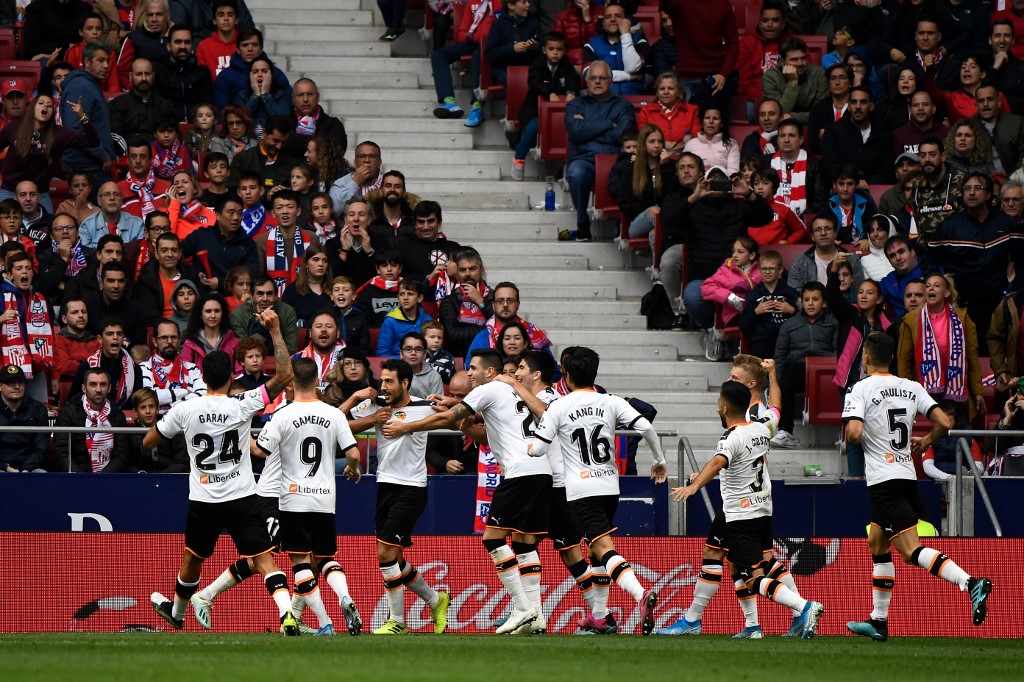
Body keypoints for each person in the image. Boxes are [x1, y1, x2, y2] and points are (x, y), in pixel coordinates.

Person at [146, 309, 299, 634]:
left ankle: (177, 612)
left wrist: (165, 429)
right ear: (231, 376)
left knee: (193, 558)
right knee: (263, 558)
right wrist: (274, 330)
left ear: (202, 377)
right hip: (241, 496)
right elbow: (285, 375)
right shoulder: (241, 403)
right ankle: (287, 614)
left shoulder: (185, 409)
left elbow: (148, 441)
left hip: (203, 500)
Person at [381, 349, 553, 635]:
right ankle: (536, 617)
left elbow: (450, 419)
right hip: (540, 471)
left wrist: (407, 427)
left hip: (520, 472)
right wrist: (458, 413)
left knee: (493, 538)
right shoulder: (511, 392)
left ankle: (523, 609)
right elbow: (489, 434)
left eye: (473, 367)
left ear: (489, 371)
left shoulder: (490, 388)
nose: (469, 372)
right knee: (524, 545)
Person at [843, 332, 992, 642]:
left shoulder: (861, 388)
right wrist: (926, 440)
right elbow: (945, 422)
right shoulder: (911, 387)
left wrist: (853, 430)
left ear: (866, 359)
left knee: (911, 551)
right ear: (892, 359)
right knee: (877, 542)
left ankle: (970, 583)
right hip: (906, 476)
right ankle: (878, 621)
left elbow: (855, 432)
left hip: (884, 480)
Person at [510, 346, 664, 635]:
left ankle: (640, 593)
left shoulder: (560, 405)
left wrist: (528, 447)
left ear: (566, 376)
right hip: (610, 485)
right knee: (594, 551)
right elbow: (645, 427)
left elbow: (539, 448)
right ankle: (599, 617)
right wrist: (659, 461)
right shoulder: (610, 401)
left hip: (581, 488)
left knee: (603, 549)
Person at [669, 372, 825, 639]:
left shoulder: (731, 437)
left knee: (753, 577)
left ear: (725, 407)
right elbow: (776, 407)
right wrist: (775, 375)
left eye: (719, 401)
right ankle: (752, 626)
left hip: (741, 514)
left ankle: (803, 607)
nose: (718, 405)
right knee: (742, 563)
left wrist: (695, 486)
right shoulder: (762, 426)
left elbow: (719, 461)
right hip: (762, 509)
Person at [221, 357, 365, 637]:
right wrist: (354, 469)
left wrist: (237, 433)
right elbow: (354, 453)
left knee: (300, 562)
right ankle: (345, 597)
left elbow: (260, 451)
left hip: (292, 498)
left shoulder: (283, 415)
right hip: (325, 498)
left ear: (293, 382)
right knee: (325, 557)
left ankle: (325, 622)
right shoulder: (334, 413)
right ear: (316, 381)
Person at [345, 359, 451, 634]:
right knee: (394, 558)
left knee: (384, 552)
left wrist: (410, 424)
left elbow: (452, 416)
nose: (384, 386)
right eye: (382, 381)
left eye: (390, 381)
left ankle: (397, 621)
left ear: (405, 383)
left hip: (412, 487)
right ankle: (435, 599)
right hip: (385, 486)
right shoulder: (378, 405)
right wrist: (362, 405)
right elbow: (338, 424)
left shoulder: (422, 406)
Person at [923, 172, 1023, 350]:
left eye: (978, 188)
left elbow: (1021, 259)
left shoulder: (1006, 224)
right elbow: (929, 260)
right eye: (967, 188)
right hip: (962, 306)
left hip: (999, 304)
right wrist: (943, 287)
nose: (971, 192)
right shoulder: (949, 227)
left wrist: (1015, 290)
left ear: (989, 194)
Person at [896, 272, 986, 421]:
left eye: (936, 286)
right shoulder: (911, 321)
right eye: (928, 286)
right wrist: (907, 394)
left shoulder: (962, 318)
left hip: (957, 392)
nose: (931, 289)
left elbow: (972, 357)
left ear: (947, 293)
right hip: (925, 393)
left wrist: (977, 391)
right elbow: (903, 361)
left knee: (959, 438)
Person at [564, 60, 636, 241]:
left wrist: (587, 127)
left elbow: (622, 136)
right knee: (575, 172)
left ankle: (622, 223)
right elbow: (575, 131)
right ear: (586, 81)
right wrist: (607, 124)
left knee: (631, 170)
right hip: (584, 159)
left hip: (615, 160)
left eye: (602, 78)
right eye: (593, 78)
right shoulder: (575, 105)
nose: (597, 81)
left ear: (611, 81)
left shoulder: (623, 106)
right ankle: (582, 224)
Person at [772, 282, 839, 449]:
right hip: (799, 367)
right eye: (806, 299)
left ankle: (843, 430)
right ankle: (785, 433)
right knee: (785, 384)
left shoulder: (834, 322)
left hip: (827, 369)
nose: (810, 303)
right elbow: (780, 355)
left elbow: (839, 349)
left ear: (823, 302)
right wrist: (776, 382)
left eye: (815, 299)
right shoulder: (789, 325)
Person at [60, 42, 117, 191]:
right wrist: (102, 155)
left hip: (89, 164)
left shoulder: (88, 85)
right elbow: (76, 128)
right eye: (100, 60)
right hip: (87, 165)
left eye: (108, 61)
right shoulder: (81, 86)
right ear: (86, 62)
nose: (106, 66)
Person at [428, 0, 497, 122]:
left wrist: (476, 36)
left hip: (490, 44)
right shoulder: (473, 2)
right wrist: (471, 37)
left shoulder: (499, 3)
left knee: (478, 55)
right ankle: (449, 102)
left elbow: (495, 29)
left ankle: (477, 106)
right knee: (438, 55)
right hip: (472, 42)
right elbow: (462, 32)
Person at [53, 367, 133, 472]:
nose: (98, 390)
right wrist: (82, 479)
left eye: (103, 384)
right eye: (93, 384)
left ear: (109, 388)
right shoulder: (67, 413)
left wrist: (102, 478)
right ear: (84, 388)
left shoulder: (118, 416)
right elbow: (60, 453)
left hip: (108, 479)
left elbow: (122, 455)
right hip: (76, 479)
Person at [1, 251, 56, 404]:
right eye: (19, 268)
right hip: (5, 368)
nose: (24, 271)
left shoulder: (40, 299)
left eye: (28, 268)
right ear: (10, 275)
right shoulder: (0, 295)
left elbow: (50, 336)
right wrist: (1, 319)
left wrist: (55, 374)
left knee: (39, 415)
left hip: (35, 368)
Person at [612, 124, 681, 245]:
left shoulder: (670, 166)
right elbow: (624, 202)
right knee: (654, 212)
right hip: (639, 222)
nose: (657, 145)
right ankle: (679, 233)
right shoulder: (631, 169)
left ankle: (656, 264)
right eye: (652, 141)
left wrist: (664, 168)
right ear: (643, 143)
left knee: (655, 233)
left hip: (665, 218)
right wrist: (648, 209)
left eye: (660, 141)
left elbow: (675, 196)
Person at [663, 0, 738, 110]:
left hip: (715, 79)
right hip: (687, 79)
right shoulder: (679, 3)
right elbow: (665, 4)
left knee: (715, 124)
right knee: (687, 124)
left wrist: (724, 74)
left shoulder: (723, 4)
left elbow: (733, 42)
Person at [180, 193, 260, 293]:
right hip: (200, 298)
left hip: (233, 300)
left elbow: (252, 277)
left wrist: (222, 283)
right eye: (230, 212)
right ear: (217, 215)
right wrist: (194, 273)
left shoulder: (248, 244)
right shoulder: (200, 235)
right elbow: (176, 255)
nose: (236, 217)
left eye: (239, 213)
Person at [821, 87, 894, 186]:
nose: (858, 106)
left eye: (863, 102)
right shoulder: (834, 131)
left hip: (875, 189)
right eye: (854, 102)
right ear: (849, 106)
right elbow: (830, 166)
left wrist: (869, 185)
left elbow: (886, 169)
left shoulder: (882, 132)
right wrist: (852, 183)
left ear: (871, 106)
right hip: (842, 188)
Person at [73, 317, 144, 411]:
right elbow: (74, 400)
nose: (115, 337)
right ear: (100, 339)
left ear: (123, 338)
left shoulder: (134, 369)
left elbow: (137, 402)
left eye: (119, 334)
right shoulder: (87, 366)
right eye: (110, 334)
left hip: (122, 421)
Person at [739, 250, 798, 360]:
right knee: (761, 351)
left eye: (771, 268)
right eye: (764, 269)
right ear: (759, 271)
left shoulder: (791, 293)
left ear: (780, 270)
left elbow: (807, 319)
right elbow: (743, 325)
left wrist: (792, 311)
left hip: (788, 340)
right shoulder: (753, 295)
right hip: (762, 342)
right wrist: (756, 312)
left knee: (796, 354)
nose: (767, 272)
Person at [214, 26, 290, 109]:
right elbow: (221, 110)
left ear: (261, 49)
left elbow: (288, 102)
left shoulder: (275, 73)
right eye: (245, 45)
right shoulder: (225, 77)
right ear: (238, 50)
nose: (250, 49)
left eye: (254, 45)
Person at [737, 1, 789, 121]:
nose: (769, 25)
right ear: (759, 23)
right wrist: (766, 101)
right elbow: (743, 83)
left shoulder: (793, 44)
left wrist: (779, 102)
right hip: (755, 100)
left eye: (775, 20)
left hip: (784, 99)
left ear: (783, 24)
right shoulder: (746, 44)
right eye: (765, 21)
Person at [581, 2, 647, 97]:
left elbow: (632, 67)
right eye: (608, 17)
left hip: (634, 99)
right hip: (602, 102)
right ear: (603, 23)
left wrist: (626, 35)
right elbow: (590, 75)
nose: (612, 19)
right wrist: (629, 77)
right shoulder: (591, 44)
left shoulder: (640, 42)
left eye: (618, 16)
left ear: (626, 21)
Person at [438, 248, 494, 357]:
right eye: (462, 270)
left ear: (481, 271)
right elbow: (452, 336)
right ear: (458, 273)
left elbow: (503, 327)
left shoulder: (495, 296)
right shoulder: (449, 301)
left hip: (491, 357)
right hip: (459, 359)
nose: (467, 274)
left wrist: (480, 301)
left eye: (472, 269)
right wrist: (489, 329)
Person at [787, 214, 865, 292]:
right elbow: (794, 294)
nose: (823, 233)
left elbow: (858, 291)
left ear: (835, 233)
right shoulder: (800, 261)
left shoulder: (851, 259)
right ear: (812, 236)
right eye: (818, 230)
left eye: (828, 229)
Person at [910, 137, 966, 244]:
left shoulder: (961, 181)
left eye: (932, 154)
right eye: (922, 155)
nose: (927, 159)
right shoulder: (917, 184)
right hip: (927, 251)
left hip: (956, 246)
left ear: (943, 156)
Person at [762, 37, 828, 125]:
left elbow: (820, 113)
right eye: (794, 59)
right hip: (779, 127)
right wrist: (793, 82)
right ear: (783, 61)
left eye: (803, 58)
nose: (800, 63)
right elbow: (777, 114)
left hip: (812, 126)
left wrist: (792, 117)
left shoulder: (819, 74)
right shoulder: (770, 77)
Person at [154, 24, 214, 122]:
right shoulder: (158, 72)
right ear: (168, 46)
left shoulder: (202, 73)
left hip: (197, 128)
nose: (183, 46)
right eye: (178, 42)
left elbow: (208, 107)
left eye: (187, 42)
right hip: (167, 129)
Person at [769, 119, 825, 218]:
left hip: (803, 220)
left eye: (791, 135)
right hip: (771, 219)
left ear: (801, 140)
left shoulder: (814, 165)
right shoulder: (767, 163)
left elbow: (818, 202)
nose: (786, 140)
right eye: (782, 136)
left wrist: (797, 220)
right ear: (777, 140)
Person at [227, 115, 298, 192]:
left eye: (283, 142)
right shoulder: (242, 159)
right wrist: (264, 196)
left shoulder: (292, 163)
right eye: (275, 140)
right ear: (264, 133)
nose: (279, 147)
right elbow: (232, 189)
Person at [231, 276, 299, 354]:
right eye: (260, 294)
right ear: (252, 296)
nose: (265, 299)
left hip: (281, 360)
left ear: (275, 296)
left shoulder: (287, 312)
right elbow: (243, 352)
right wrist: (262, 330)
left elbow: (292, 350)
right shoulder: (238, 314)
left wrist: (274, 329)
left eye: (269, 294)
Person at [636, 72, 698, 155]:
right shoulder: (646, 111)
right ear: (657, 92)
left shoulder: (692, 110)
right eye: (662, 89)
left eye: (670, 88)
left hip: (684, 156)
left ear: (678, 91)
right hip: (655, 157)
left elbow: (696, 138)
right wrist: (667, 144)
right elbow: (643, 138)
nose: (666, 92)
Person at [129, 386, 189, 472]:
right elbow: (129, 462)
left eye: (151, 406)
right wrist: (140, 474)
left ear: (158, 409)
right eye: (142, 407)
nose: (147, 411)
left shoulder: (171, 427)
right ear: (135, 411)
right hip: (141, 481)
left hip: (169, 479)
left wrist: (162, 477)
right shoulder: (130, 433)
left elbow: (182, 460)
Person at [969, 84, 1024, 178]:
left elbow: (1022, 155)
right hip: (981, 182)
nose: (985, 104)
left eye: (990, 99)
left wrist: (1011, 178)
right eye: (981, 101)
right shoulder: (968, 126)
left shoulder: (1016, 122)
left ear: (999, 102)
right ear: (976, 105)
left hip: (1015, 179)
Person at [181, 293, 240, 372]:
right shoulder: (190, 344)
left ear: (223, 314)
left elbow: (240, 374)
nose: (213, 315)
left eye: (217, 311)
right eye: (208, 311)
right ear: (201, 315)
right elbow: (185, 374)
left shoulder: (234, 342)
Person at [376, 280, 431, 358]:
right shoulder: (390, 321)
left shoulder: (428, 321)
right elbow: (382, 353)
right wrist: (401, 361)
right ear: (398, 298)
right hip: (398, 365)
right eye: (402, 294)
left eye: (410, 294)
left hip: (422, 365)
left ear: (420, 298)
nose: (405, 298)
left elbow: (434, 348)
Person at [328, 141, 385, 214]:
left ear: (379, 162)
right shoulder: (341, 183)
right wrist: (355, 182)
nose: (366, 160)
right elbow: (335, 210)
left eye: (372, 156)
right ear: (355, 162)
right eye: (362, 156)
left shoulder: (388, 183)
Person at [683, 106, 739, 177]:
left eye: (715, 118)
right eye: (707, 118)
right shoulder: (691, 144)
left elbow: (733, 170)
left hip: (722, 183)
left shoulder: (731, 144)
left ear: (722, 123)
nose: (711, 121)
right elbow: (684, 167)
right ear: (702, 122)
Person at [195, 0, 241, 79]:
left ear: (236, 20)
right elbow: (201, 80)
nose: (226, 18)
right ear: (214, 20)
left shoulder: (246, 43)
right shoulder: (204, 47)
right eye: (221, 15)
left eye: (230, 15)